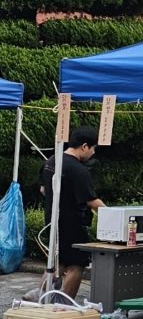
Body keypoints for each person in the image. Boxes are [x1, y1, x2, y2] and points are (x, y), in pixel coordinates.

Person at [33, 126, 106, 301]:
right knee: (76, 264)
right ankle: (65, 305)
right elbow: (91, 201)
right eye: (93, 148)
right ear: (85, 146)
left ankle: (39, 297)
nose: (93, 153)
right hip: (72, 223)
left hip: (52, 221)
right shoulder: (78, 170)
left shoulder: (51, 161)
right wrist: (114, 214)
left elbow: (43, 189)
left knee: (57, 262)